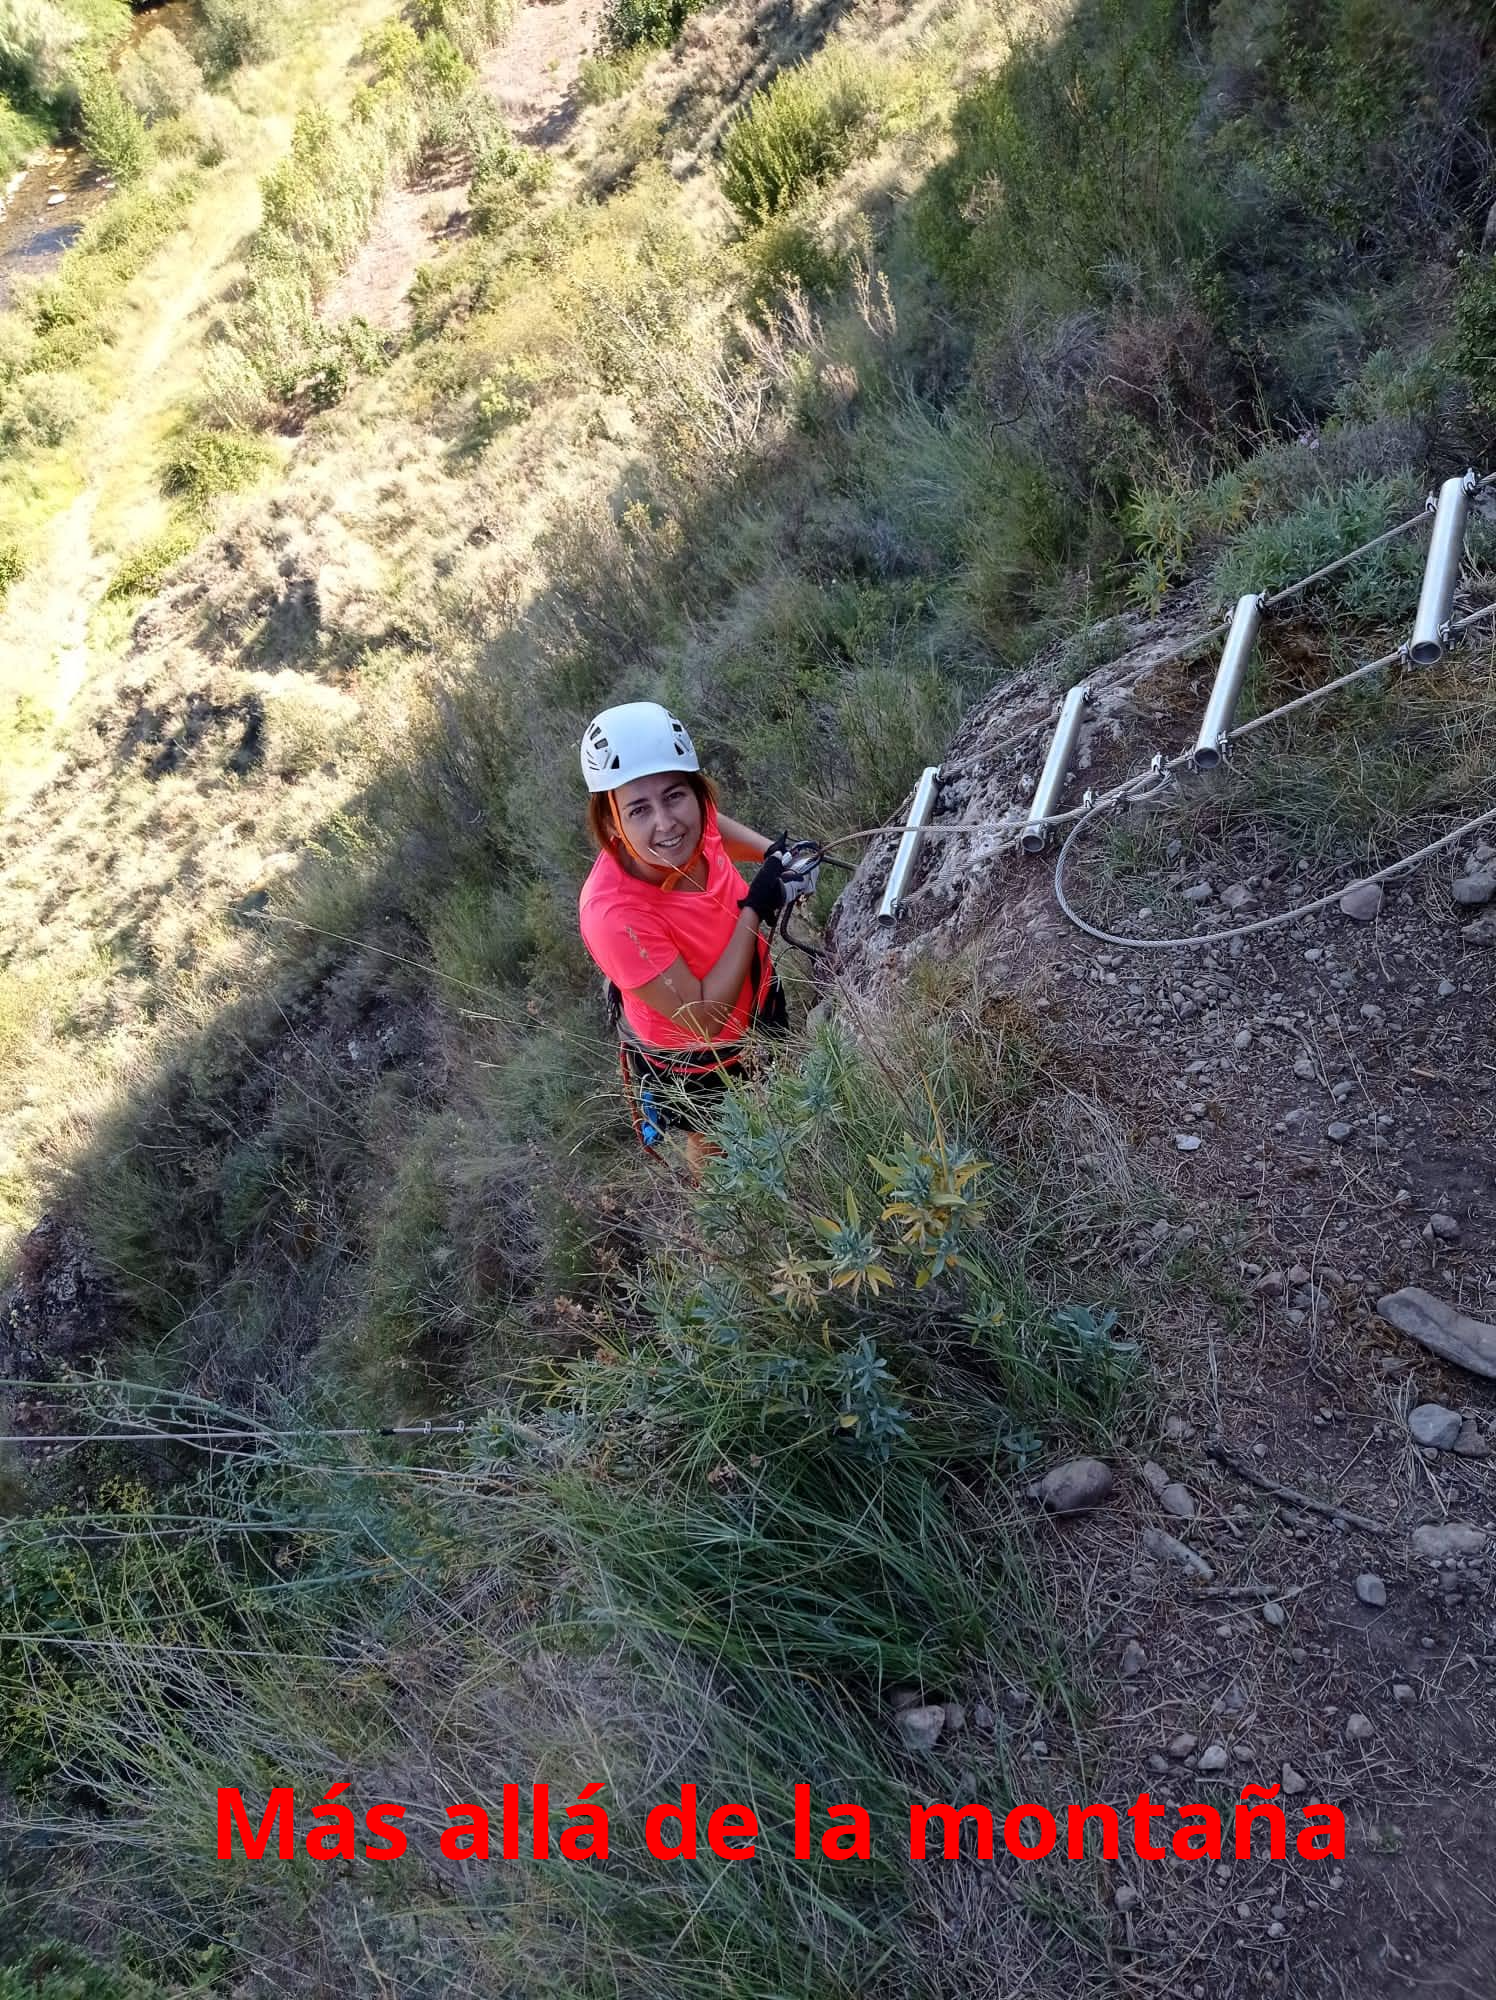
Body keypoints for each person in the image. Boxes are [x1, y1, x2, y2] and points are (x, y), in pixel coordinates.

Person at [577, 700, 816, 1164]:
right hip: (700, 1062)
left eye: (675, 796)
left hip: (758, 999)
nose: (667, 824)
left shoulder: (693, 824)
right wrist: (754, 909)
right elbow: (703, 1019)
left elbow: (709, 830)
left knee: (782, 1090)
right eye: (639, 809)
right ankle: (729, 1214)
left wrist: (776, 855)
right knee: (722, 1145)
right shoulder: (612, 914)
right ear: (612, 823)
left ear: (697, 794)